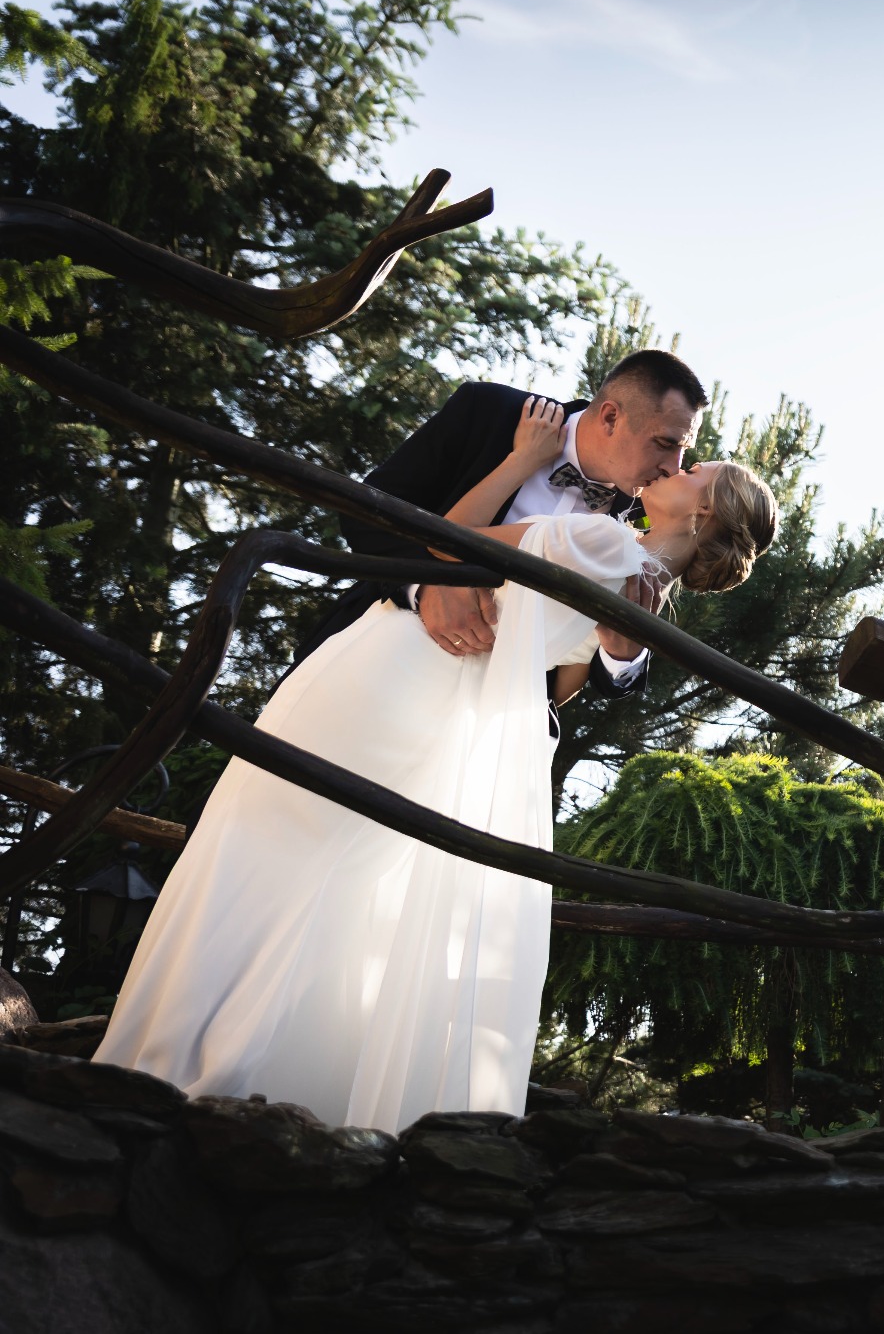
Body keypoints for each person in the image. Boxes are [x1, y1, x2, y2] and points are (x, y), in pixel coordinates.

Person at [92, 398, 780, 1134]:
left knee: (264, 849)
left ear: (703, 512)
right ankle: (281, 1082)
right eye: (675, 446)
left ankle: (180, 1053)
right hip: (453, 726)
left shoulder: (600, 539)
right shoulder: (641, 592)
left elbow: (442, 539)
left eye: (692, 465)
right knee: (352, 894)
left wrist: (518, 471)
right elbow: (558, 686)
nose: (676, 463)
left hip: (392, 675)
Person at [294, 348, 710, 704]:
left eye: (682, 451)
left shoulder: (650, 508)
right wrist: (423, 586)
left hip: (487, 725)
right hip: (371, 660)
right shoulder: (491, 412)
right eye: (665, 443)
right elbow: (368, 511)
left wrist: (627, 655)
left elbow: (594, 671)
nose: (671, 467)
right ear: (610, 418)